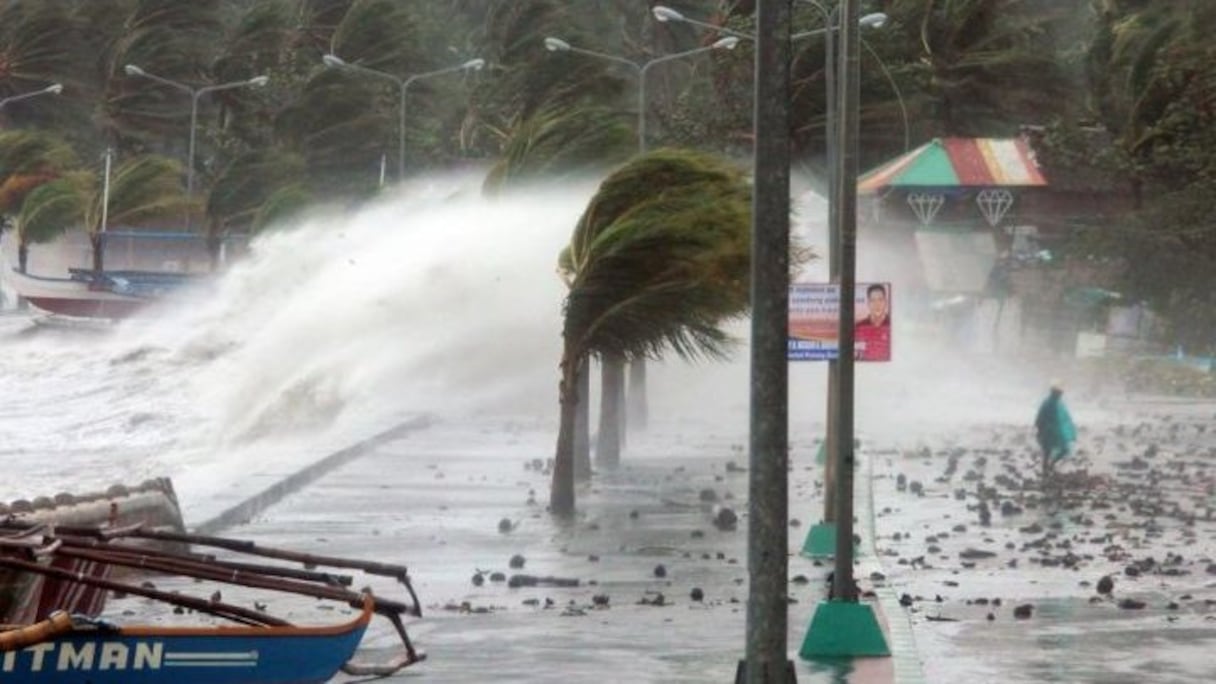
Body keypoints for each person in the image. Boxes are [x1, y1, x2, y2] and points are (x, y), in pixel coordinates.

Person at [1034, 381, 1076, 481]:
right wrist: (1039, 429)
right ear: (1053, 392)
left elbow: (1066, 419)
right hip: (1048, 431)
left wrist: (1071, 431)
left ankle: (1051, 464)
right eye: (1058, 392)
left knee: (1065, 449)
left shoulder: (1060, 404)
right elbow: (1040, 418)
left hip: (1059, 432)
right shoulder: (1047, 403)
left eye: (1060, 393)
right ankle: (1045, 472)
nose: (1060, 394)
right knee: (1047, 452)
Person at [854, 283, 890, 360]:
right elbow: (857, 356)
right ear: (868, 303)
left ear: (885, 302)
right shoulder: (859, 327)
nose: (877, 304)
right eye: (873, 300)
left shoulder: (892, 325)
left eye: (880, 300)